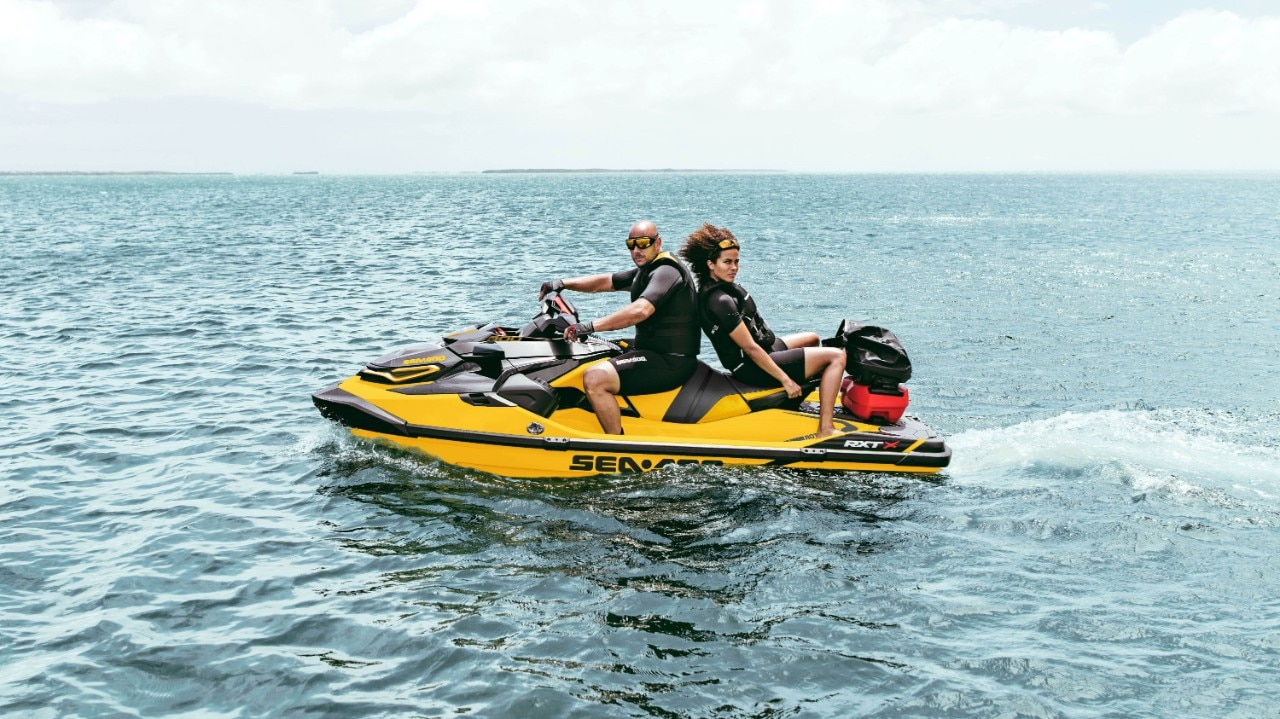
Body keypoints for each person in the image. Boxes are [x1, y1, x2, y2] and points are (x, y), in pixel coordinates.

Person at [679, 223, 847, 438]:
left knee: (812, 338)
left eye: (737, 262)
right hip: (750, 366)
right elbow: (750, 348)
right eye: (727, 262)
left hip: (766, 349)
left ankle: (795, 402)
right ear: (711, 264)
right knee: (837, 357)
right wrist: (786, 380)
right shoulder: (719, 300)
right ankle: (825, 428)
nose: (734, 268)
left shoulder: (722, 289)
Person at [538, 220, 701, 434]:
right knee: (593, 352)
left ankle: (615, 442)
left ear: (658, 243)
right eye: (631, 244)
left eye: (643, 243)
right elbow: (605, 282)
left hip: (671, 360)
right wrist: (562, 283)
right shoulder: (646, 270)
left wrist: (589, 326)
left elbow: (640, 311)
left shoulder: (666, 272)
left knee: (594, 378)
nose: (636, 250)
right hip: (654, 351)